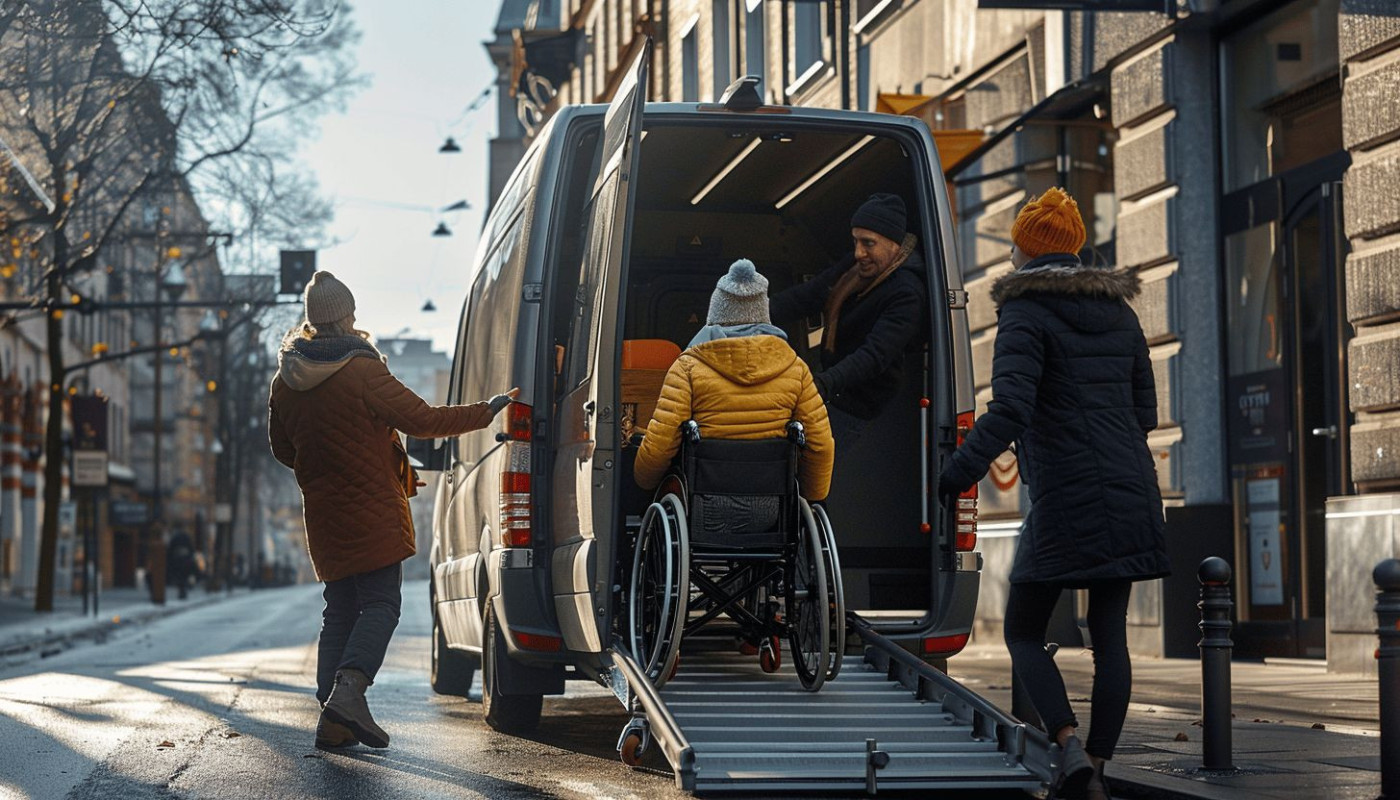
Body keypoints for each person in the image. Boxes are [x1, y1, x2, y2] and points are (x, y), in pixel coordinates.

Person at [937, 188, 1169, 800]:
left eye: (1015, 243)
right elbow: (1145, 411)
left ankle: (1066, 745)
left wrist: (956, 473)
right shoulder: (1118, 310)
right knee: (1109, 633)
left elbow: (1010, 407)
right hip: (1130, 489)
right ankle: (1096, 764)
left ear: (1026, 248)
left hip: (1067, 493)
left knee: (1022, 629)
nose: (1011, 255)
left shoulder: (1025, 309)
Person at [268, 270, 517, 752]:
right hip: (372, 508)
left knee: (339, 609)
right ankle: (348, 694)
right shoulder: (361, 370)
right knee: (382, 603)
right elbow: (423, 420)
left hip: (323, 511)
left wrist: (323, 470)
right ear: (345, 317)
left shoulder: (286, 381)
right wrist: (486, 410)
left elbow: (282, 449)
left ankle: (334, 718)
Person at [635, 258, 834, 503]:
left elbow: (659, 446)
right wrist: (812, 495)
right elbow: (821, 445)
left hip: (704, 508)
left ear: (717, 312)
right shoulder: (796, 370)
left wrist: (643, 483)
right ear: (763, 314)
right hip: (772, 509)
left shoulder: (687, 367)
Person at [768, 192, 927, 444]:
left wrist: (823, 384)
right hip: (833, 385)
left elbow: (874, 355)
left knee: (804, 465)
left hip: (857, 403)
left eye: (868, 243)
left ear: (893, 243)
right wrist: (753, 313)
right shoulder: (856, 270)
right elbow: (809, 295)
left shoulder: (907, 292)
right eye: (855, 242)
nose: (858, 253)